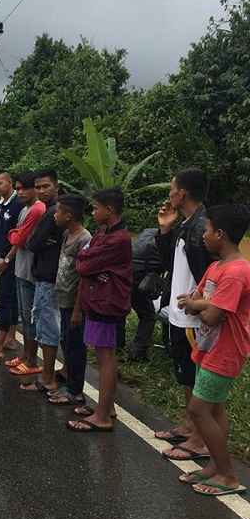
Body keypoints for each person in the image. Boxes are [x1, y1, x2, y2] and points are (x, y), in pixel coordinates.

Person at [176, 204, 250, 496]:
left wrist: (198, 304)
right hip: (207, 347)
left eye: (205, 230)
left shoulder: (237, 272)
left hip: (225, 350)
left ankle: (229, 476)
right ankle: (214, 467)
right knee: (215, 409)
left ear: (220, 234)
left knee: (198, 410)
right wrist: (201, 303)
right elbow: (194, 300)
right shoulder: (215, 267)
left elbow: (209, 316)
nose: (203, 236)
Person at [154, 169, 217, 460]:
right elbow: (170, 262)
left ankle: (200, 440)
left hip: (194, 317)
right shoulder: (186, 225)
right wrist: (166, 230)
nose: (169, 193)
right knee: (185, 374)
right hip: (180, 314)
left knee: (196, 376)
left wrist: (201, 302)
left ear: (182, 193)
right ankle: (190, 426)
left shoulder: (203, 226)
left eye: (172, 188)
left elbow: (214, 271)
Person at [67, 186, 132, 432]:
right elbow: (85, 258)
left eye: (95, 208)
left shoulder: (118, 239)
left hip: (106, 302)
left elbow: (83, 265)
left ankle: (102, 416)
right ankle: (107, 406)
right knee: (102, 354)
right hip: (96, 299)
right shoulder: (103, 232)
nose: (92, 213)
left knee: (106, 357)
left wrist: (90, 265)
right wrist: (92, 266)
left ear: (109, 209)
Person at [23, 168, 65, 393]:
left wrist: (36, 240)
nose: (41, 191)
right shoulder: (54, 210)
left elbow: (31, 243)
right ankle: (64, 370)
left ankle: (47, 378)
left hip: (48, 276)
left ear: (56, 186)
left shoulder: (52, 213)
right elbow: (33, 241)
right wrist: (36, 240)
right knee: (59, 325)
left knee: (47, 326)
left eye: (45, 186)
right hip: (55, 275)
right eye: (37, 187)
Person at [47, 194, 91, 407]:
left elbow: (84, 277)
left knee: (76, 346)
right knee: (66, 340)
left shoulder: (84, 239)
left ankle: (76, 391)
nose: (54, 215)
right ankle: (69, 382)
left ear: (68, 216)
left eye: (57, 211)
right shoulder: (66, 234)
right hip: (62, 297)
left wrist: (77, 310)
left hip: (74, 302)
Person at [3, 172, 45, 374]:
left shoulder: (37, 209)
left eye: (24, 188)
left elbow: (18, 238)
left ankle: (32, 361)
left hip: (30, 270)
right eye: (18, 188)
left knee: (30, 317)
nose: (20, 192)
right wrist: (16, 234)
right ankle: (26, 356)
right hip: (21, 266)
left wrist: (15, 234)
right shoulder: (25, 209)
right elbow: (18, 235)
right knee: (24, 315)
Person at [0, 170, 24, 364]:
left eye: (0, 183)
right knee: (11, 300)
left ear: (10, 182)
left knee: (4, 301)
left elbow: (20, 237)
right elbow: (0, 234)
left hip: (9, 261)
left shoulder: (18, 205)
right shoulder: (1, 204)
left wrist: (7, 259)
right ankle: (10, 339)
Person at [128, 227, 164, 361]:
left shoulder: (148, 232)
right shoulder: (165, 245)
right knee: (149, 316)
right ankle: (138, 350)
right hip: (138, 281)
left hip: (125, 275)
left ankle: (117, 345)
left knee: (120, 313)